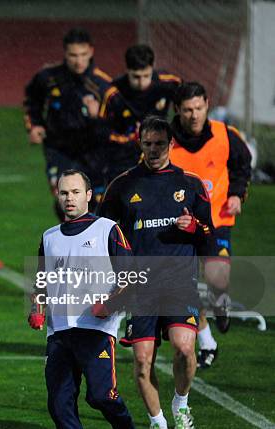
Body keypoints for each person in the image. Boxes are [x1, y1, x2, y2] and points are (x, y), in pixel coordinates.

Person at [98, 116, 214, 429]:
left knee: (185, 349)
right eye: (147, 144)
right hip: (139, 286)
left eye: (159, 144)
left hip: (179, 282)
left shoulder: (190, 185)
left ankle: (181, 402)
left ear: (171, 144)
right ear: (140, 143)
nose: (153, 150)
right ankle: (158, 422)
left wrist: (195, 228)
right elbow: (102, 234)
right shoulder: (122, 185)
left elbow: (209, 236)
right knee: (141, 362)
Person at [28, 170, 135, 429]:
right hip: (59, 332)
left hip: (96, 330)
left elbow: (131, 278)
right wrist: (36, 308)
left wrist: (110, 305)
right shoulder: (49, 237)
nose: (69, 198)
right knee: (59, 403)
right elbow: (41, 280)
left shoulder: (108, 230)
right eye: (64, 193)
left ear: (89, 195)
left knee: (101, 396)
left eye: (75, 192)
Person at [169, 82, 252, 369]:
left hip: (216, 220)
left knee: (217, 278)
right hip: (180, 225)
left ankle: (220, 302)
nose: (194, 115)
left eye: (199, 108)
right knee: (186, 286)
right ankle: (207, 342)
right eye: (188, 110)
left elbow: (242, 165)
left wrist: (237, 194)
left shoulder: (225, 135)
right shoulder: (165, 141)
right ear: (177, 110)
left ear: (207, 104)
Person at [24, 28, 112, 219]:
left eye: (82, 55)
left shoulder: (103, 85)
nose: (78, 60)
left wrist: (98, 116)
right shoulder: (48, 77)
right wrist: (35, 125)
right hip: (59, 150)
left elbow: (114, 128)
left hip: (93, 154)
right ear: (65, 53)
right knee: (65, 202)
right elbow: (32, 101)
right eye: (73, 55)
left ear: (91, 52)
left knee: (95, 206)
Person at [99, 44, 181, 183]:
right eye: (136, 77)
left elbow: (186, 104)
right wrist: (131, 137)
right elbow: (102, 131)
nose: (142, 82)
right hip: (125, 156)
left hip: (159, 151)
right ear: (127, 70)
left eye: (146, 76)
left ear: (152, 68)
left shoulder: (169, 82)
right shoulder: (114, 92)